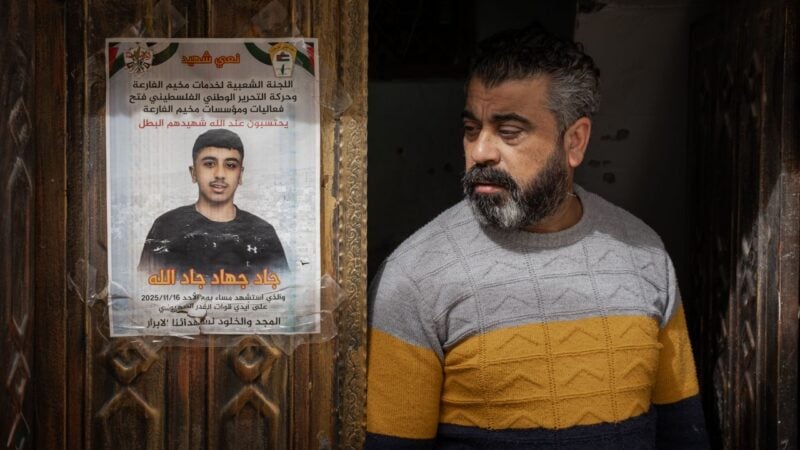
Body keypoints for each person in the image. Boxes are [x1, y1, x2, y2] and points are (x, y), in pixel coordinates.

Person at [366, 26, 708, 449]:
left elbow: (682, 431)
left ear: (575, 141)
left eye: (509, 132)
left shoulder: (644, 254)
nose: (480, 151)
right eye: (471, 129)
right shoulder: (414, 277)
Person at [138, 128, 288, 278]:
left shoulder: (263, 233)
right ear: (193, 172)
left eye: (230, 165)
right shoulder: (166, 227)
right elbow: (144, 287)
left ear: (240, 175)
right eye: (209, 164)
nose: (220, 174)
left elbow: (282, 288)